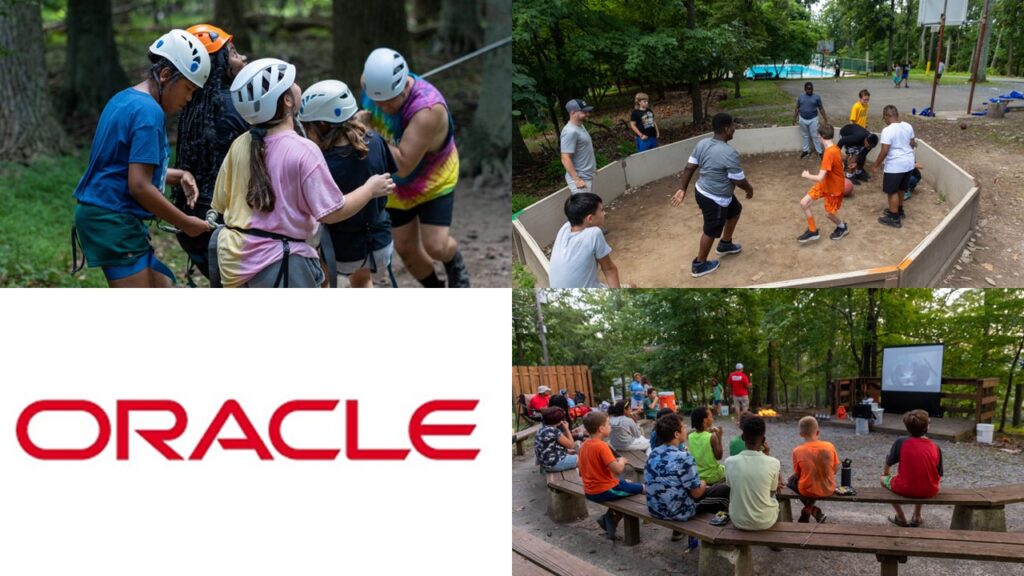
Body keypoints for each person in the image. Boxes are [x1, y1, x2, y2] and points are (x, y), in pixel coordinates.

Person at [211, 58, 394, 287]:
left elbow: (221, 202)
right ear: (288, 100)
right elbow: (331, 212)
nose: (298, 85)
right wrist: (369, 189)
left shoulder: (240, 143)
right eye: (294, 82)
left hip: (234, 261)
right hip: (279, 264)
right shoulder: (304, 150)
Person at [72, 29, 213, 287]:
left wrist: (178, 175)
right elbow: (139, 186)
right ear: (166, 75)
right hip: (112, 217)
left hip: (104, 213)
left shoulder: (125, 99)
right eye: (188, 88)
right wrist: (185, 222)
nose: (189, 98)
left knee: (164, 284)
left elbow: (123, 167)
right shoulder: (149, 113)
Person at [359, 48, 469, 288]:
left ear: (405, 87)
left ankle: (454, 262)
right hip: (394, 186)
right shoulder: (369, 82)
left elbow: (404, 165)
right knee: (406, 250)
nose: (383, 106)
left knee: (436, 246)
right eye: (378, 100)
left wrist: (368, 131)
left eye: (389, 100)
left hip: (432, 180)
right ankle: (435, 289)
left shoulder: (427, 110)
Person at [298, 80, 397, 288]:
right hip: (380, 243)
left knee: (319, 281)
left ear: (322, 125)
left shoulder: (322, 163)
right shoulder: (376, 141)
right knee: (362, 280)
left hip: (343, 251)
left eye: (308, 126)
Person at [171, 24, 248, 284]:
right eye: (234, 53)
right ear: (218, 62)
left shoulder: (192, 105)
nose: (243, 59)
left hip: (191, 222)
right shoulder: (239, 107)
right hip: (223, 226)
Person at [670, 113, 753, 278]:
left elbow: (689, 167)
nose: (734, 130)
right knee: (711, 229)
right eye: (733, 126)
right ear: (726, 129)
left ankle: (725, 244)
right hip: (715, 198)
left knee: (735, 210)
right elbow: (738, 181)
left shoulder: (702, 143)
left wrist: (682, 188)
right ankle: (700, 264)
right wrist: (749, 189)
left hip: (702, 191)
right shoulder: (729, 153)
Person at [645, 413, 730, 544]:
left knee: (714, 489)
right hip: (677, 512)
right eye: (683, 426)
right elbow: (696, 493)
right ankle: (720, 537)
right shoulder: (683, 457)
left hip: (655, 508)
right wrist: (703, 482)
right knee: (725, 492)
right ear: (676, 434)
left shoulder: (653, 453)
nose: (686, 428)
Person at [578, 411, 645, 540]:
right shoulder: (602, 446)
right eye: (608, 424)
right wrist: (622, 461)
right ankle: (611, 519)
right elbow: (618, 469)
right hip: (604, 490)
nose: (610, 427)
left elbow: (582, 471)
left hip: (589, 490)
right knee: (642, 488)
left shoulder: (584, 445)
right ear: (601, 428)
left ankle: (608, 519)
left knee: (627, 484)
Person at [881, 409, 943, 527]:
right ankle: (917, 516)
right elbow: (939, 473)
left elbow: (888, 462)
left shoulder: (901, 442)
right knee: (922, 478)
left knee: (882, 480)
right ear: (926, 428)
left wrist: (886, 475)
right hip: (930, 490)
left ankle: (900, 517)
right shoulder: (935, 446)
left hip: (906, 488)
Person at [548, 192, 622, 288]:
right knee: (631, 287)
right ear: (590, 218)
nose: (604, 213)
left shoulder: (564, 229)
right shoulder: (594, 233)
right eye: (601, 210)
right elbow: (609, 269)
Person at [724, 415, 781, 531]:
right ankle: (775, 545)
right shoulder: (774, 463)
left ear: (743, 437)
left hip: (738, 520)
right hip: (765, 521)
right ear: (763, 440)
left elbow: (731, 486)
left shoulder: (729, 462)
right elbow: (771, 492)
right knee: (778, 502)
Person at [796, 122, 849, 242]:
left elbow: (819, 177)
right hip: (824, 184)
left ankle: (842, 227)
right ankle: (812, 231)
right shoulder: (834, 148)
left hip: (833, 189)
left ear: (820, 136)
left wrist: (807, 175)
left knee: (829, 214)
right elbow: (841, 158)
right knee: (804, 203)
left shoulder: (829, 153)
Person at [869, 105, 917, 228]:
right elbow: (912, 144)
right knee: (901, 189)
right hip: (908, 163)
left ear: (887, 116)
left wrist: (875, 165)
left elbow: (884, 151)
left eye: (884, 118)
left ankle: (894, 218)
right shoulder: (908, 126)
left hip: (896, 165)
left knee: (892, 191)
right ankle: (899, 210)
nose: (884, 120)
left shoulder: (888, 130)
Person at [787, 416, 839, 523]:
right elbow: (835, 469)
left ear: (801, 434)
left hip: (807, 491)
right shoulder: (829, 446)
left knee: (791, 481)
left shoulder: (797, 451)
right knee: (812, 480)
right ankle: (811, 510)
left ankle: (810, 509)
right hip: (828, 489)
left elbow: (798, 475)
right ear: (818, 432)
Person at [560, 98, 596, 194]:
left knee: (589, 207)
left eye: (588, 111)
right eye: (584, 112)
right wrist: (576, 179)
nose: (588, 114)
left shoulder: (580, 126)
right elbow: (565, 157)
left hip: (587, 176)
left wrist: (593, 168)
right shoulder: (570, 132)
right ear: (573, 113)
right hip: (580, 180)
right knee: (584, 208)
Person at [688, 406, 726, 485]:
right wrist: (719, 437)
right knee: (727, 469)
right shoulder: (712, 437)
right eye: (711, 416)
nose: (712, 419)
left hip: (698, 475)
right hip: (713, 476)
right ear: (705, 420)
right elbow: (719, 456)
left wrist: (709, 431)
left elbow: (701, 436)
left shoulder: (690, 436)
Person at [534, 407, 578, 473]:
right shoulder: (554, 431)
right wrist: (567, 429)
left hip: (545, 463)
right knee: (583, 458)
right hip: (553, 464)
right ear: (559, 420)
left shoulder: (542, 429)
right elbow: (571, 445)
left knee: (574, 452)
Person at [793, 82, 828, 159]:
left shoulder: (816, 97)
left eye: (811, 88)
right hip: (802, 119)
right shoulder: (801, 97)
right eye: (808, 89)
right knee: (805, 135)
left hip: (813, 120)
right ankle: (805, 150)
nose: (810, 90)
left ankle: (820, 152)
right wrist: (794, 118)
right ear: (805, 89)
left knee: (815, 136)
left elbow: (821, 108)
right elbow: (797, 108)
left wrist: (825, 118)